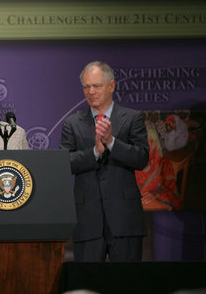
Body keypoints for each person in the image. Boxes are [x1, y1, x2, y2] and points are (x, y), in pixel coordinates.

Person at [59, 61, 149, 262]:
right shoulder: (72, 123)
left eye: (96, 86)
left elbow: (141, 158)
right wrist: (94, 152)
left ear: (111, 86)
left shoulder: (132, 118)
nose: (90, 91)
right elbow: (64, 164)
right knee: (88, 284)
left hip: (125, 219)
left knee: (126, 285)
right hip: (87, 219)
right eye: (86, 86)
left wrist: (111, 142)